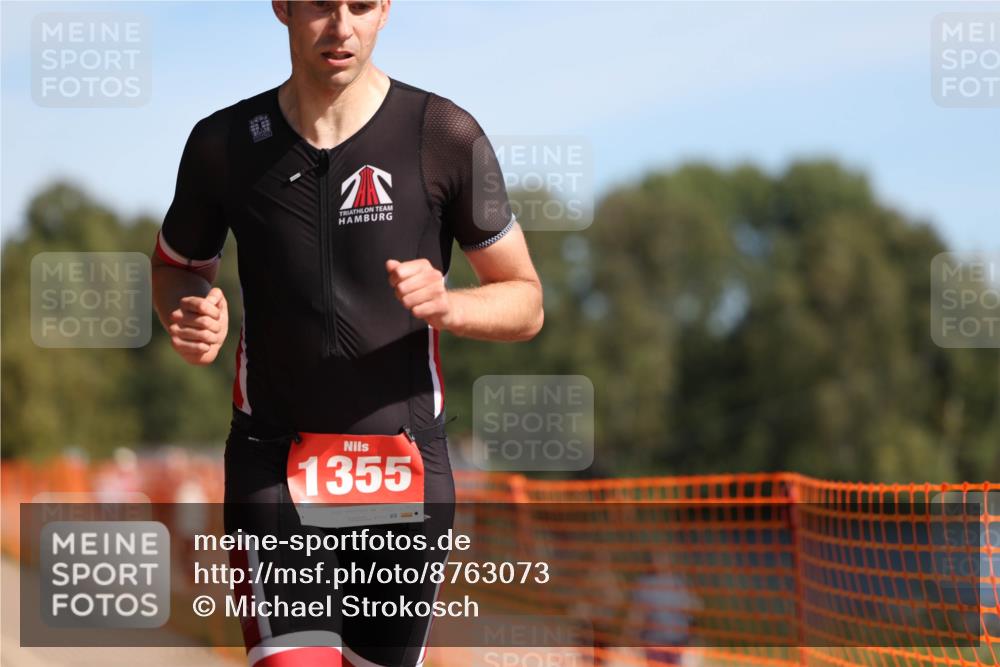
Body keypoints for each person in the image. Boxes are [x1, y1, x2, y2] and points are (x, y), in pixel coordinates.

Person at [150, 2, 544, 666]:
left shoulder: (442, 133)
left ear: (385, 9)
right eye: (320, 6)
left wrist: (449, 304)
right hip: (273, 465)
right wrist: (189, 311)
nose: (341, 27)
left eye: (361, 5)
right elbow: (175, 269)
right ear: (282, 6)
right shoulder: (225, 145)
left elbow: (526, 300)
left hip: (403, 471)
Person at [625, 548, 703, 666]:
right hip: (655, 641)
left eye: (663, 557)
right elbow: (637, 613)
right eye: (658, 558)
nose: (661, 561)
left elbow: (695, 607)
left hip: (678, 641)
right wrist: (632, 635)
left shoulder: (679, 582)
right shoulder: (645, 584)